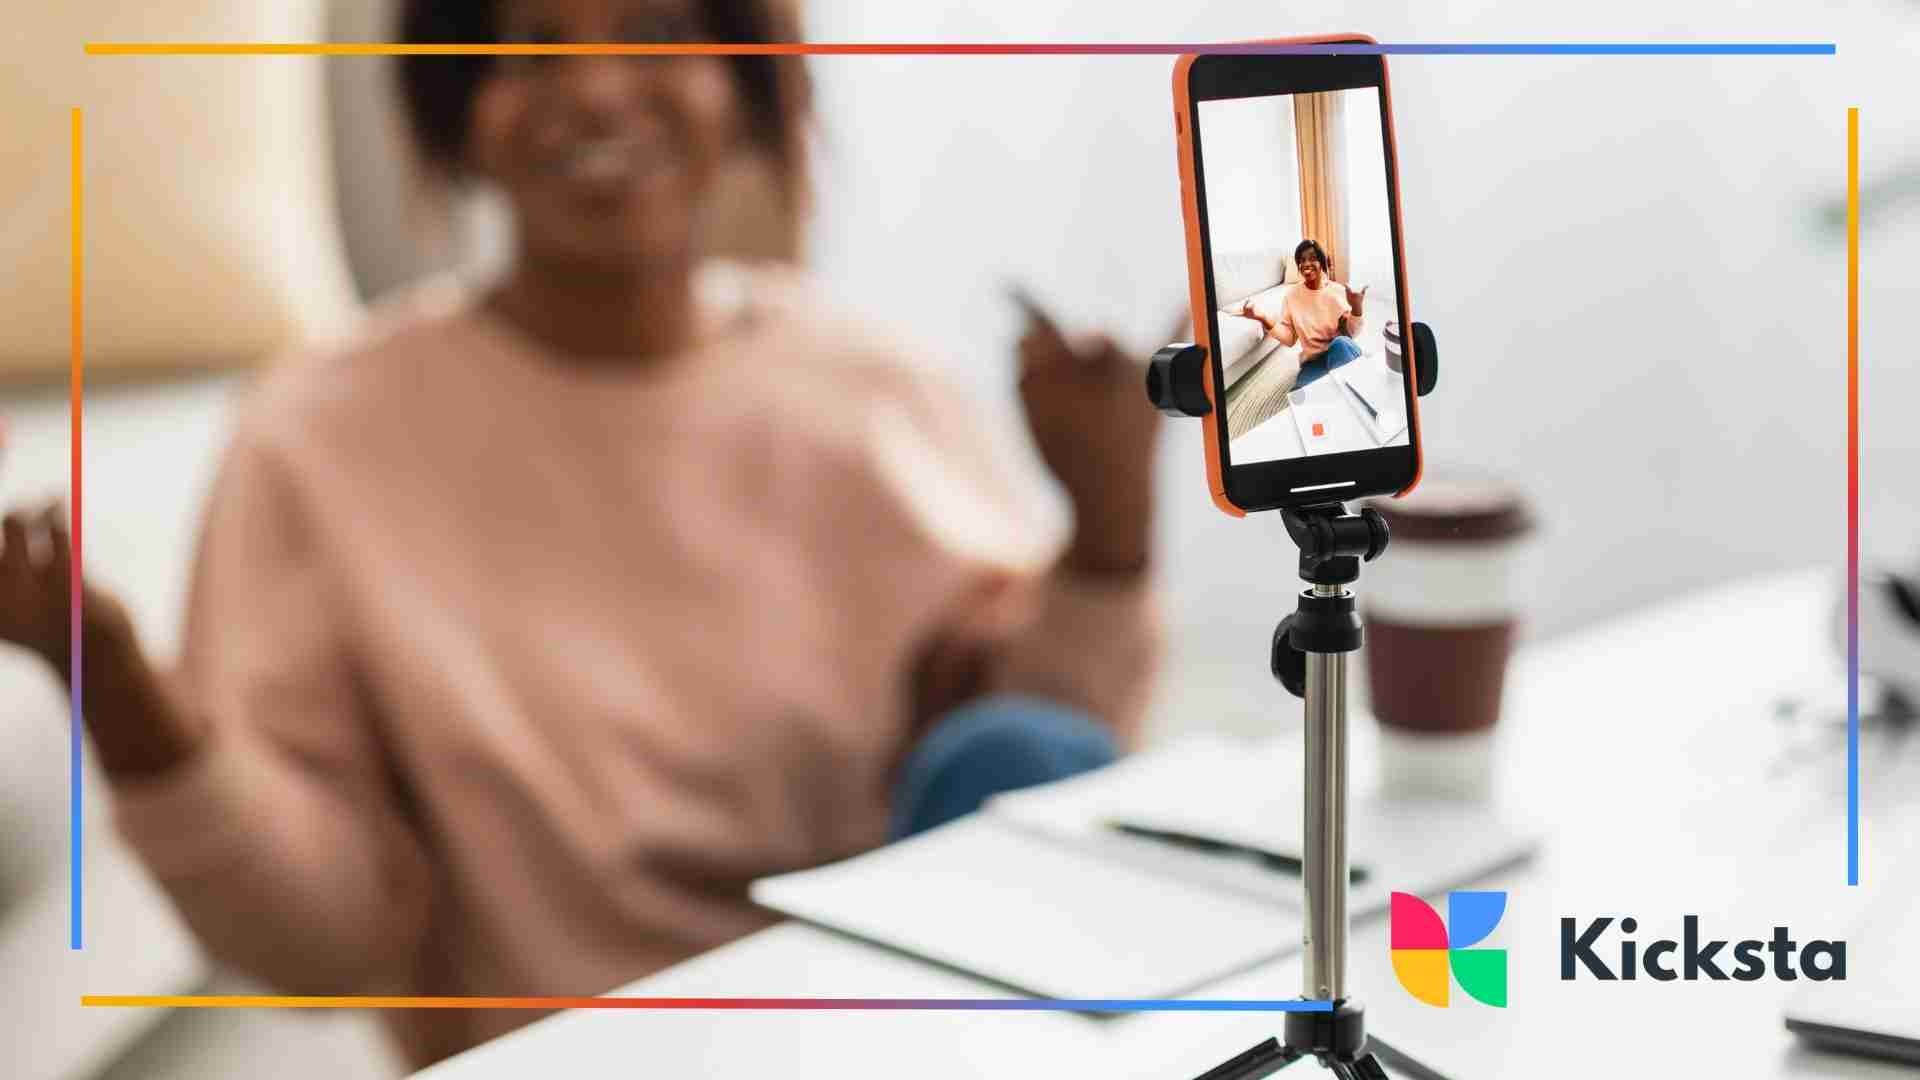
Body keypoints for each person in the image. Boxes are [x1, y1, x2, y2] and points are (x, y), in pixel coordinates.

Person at [0, 0, 1160, 1067]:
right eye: (534, 46)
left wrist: (1110, 527)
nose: (598, 88)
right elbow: (325, 944)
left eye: (659, 33)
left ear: (744, 85)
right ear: (460, 104)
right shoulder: (315, 438)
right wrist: (124, 696)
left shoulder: (873, 389)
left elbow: (1037, 785)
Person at [1242, 238, 1369, 389]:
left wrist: (1356, 308)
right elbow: (1289, 338)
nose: (1306, 264)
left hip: (1339, 351)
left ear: (1322, 263)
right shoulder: (1291, 296)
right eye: (1302, 260)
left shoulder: (1337, 291)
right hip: (1313, 362)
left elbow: (1351, 333)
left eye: (1313, 258)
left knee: (1341, 348)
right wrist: (1261, 317)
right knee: (1299, 394)